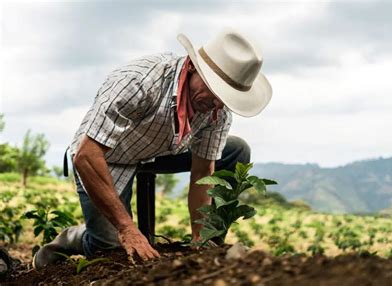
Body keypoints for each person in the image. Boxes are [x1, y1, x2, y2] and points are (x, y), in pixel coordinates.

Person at [33, 27, 272, 268]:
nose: (217, 104)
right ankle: (72, 238)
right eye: (215, 90)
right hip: (107, 156)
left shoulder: (217, 111)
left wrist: (201, 238)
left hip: (161, 151)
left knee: (236, 150)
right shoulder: (139, 82)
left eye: (226, 97)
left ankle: (211, 243)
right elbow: (86, 155)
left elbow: (202, 172)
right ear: (191, 67)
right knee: (109, 250)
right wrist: (127, 228)